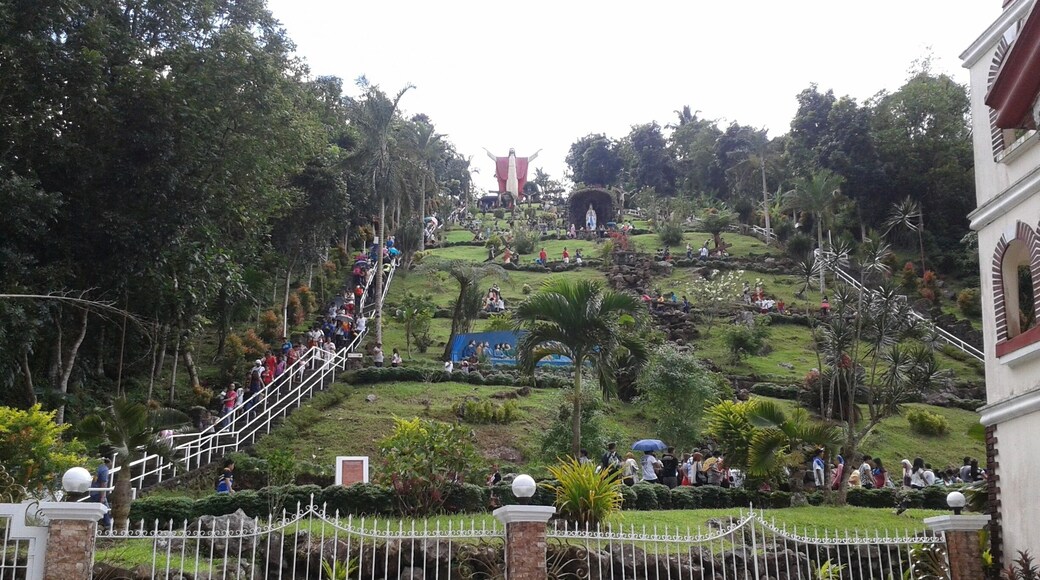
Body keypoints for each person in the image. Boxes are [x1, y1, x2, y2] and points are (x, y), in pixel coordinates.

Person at [90, 458, 112, 530]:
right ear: (109, 462)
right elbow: (104, 483)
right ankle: (107, 525)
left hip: (93, 492)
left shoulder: (97, 468)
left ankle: (96, 524)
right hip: (98, 492)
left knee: (96, 508)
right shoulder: (104, 469)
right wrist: (103, 496)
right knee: (105, 509)